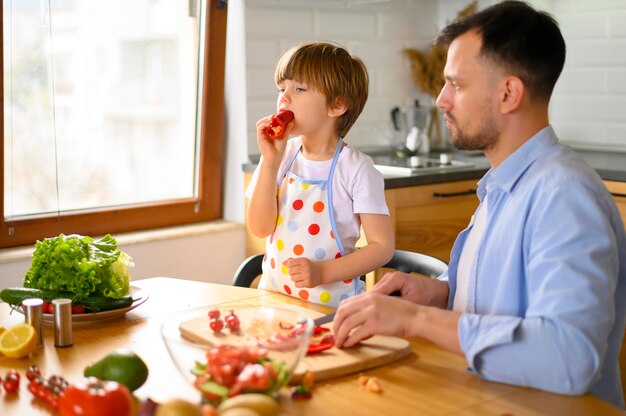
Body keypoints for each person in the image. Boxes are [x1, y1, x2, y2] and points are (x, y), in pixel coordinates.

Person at [332, 1, 626, 409]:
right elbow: (503, 299)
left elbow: (569, 356)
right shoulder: (504, 184)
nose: (440, 100)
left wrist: (416, 320)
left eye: (456, 84)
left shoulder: (565, 197)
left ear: (508, 93)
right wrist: (438, 293)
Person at [245, 41, 394, 308]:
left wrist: (323, 272)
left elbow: (381, 247)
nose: (284, 98)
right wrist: (269, 162)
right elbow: (260, 228)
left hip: (332, 309)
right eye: (282, 88)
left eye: (299, 89)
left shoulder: (357, 169)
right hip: (273, 302)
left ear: (337, 105)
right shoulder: (280, 156)